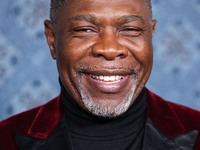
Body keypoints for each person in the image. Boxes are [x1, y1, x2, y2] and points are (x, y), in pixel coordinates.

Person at [0, 0, 200, 149]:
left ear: (151, 34)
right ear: (52, 40)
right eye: (85, 29)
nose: (109, 49)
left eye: (130, 29)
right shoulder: (4, 138)